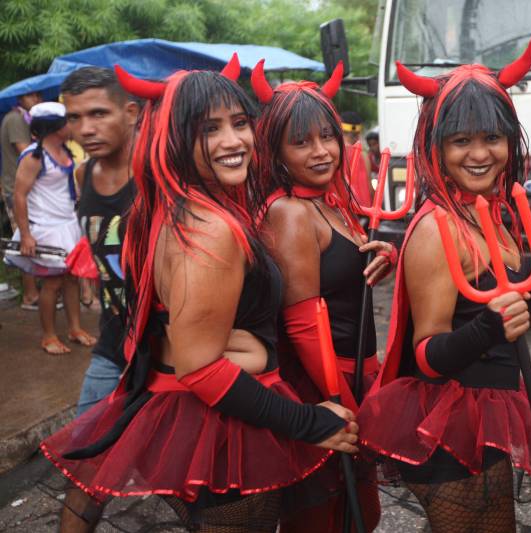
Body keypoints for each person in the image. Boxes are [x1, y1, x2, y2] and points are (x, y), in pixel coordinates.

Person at [40, 58, 358, 533]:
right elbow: (200, 368)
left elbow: (172, 329)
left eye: (239, 123)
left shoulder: (182, 209)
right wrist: (309, 421)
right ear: (174, 139)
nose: (234, 141)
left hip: (211, 418)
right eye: (209, 129)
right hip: (223, 430)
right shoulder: (208, 228)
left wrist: (241, 344)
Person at [357, 39, 531, 533]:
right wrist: (491, 326)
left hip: (490, 412)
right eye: (461, 142)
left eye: (492, 139)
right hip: (449, 427)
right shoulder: (438, 227)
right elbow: (429, 354)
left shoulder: (492, 213)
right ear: (436, 147)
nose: (480, 155)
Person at [252, 62, 392, 532]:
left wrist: (381, 255)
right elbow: (301, 324)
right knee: (323, 519)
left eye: (326, 137)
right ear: (275, 150)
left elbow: (341, 276)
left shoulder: (326, 202)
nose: (320, 152)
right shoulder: (290, 212)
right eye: (301, 142)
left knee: (360, 517)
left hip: (353, 378)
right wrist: (344, 404)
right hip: (326, 388)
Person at [61, 66, 139, 414]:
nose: (85, 129)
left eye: (99, 114)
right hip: (113, 340)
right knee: (85, 445)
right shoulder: (84, 174)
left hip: (168, 347)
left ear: (131, 113)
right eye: (74, 117)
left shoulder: (158, 172)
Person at [6, 101, 95, 354]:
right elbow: (19, 196)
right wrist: (25, 235)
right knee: (52, 283)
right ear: (56, 127)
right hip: (45, 228)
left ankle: (75, 328)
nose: (73, 125)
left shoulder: (64, 151)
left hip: (67, 225)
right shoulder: (34, 156)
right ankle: (48, 336)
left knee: (72, 280)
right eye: (69, 121)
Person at [1, 90, 42, 308]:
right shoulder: (16, 119)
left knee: (31, 237)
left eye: (39, 96)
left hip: (25, 187)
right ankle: (30, 295)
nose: (37, 100)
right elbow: (25, 150)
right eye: (32, 96)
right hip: (15, 189)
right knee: (24, 238)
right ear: (20, 98)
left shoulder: (23, 117)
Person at [339, 109, 373, 206]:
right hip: (364, 211)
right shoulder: (364, 156)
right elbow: (370, 189)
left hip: (343, 209)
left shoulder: (334, 154)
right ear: (358, 134)